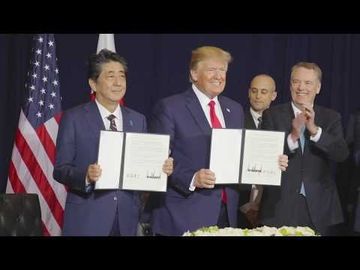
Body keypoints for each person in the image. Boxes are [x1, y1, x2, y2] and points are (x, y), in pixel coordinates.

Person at [148, 46, 288, 236]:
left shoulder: (234, 109)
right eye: (211, 70)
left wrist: (271, 162)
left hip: (227, 213)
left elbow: (241, 155)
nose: (218, 76)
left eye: (222, 70)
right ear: (194, 73)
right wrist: (192, 178)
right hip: (184, 214)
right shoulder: (171, 107)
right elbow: (157, 160)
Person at [53, 49, 173, 236]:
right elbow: (60, 169)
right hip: (88, 217)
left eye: (122, 76)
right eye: (110, 76)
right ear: (93, 83)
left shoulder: (138, 119)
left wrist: (161, 168)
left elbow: (142, 167)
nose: (118, 82)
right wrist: (86, 176)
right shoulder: (74, 118)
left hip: (127, 218)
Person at [260, 61, 349, 236]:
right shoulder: (272, 115)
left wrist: (314, 130)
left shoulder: (331, 117)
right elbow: (264, 155)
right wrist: (293, 136)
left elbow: (341, 154)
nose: (301, 87)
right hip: (280, 205)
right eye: (296, 81)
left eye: (308, 83)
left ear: (318, 88)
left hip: (320, 207)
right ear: (290, 84)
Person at [238, 74, 277, 228]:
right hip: (241, 201)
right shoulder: (236, 120)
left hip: (270, 204)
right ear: (248, 93)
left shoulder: (282, 123)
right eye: (254, 91)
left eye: (263, 92)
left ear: (273, 95)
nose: (258, 96)